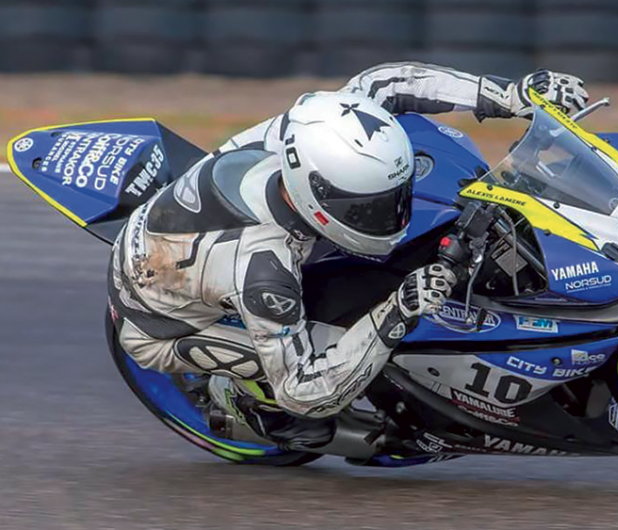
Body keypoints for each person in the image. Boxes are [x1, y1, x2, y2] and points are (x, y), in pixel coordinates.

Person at [107, 62, 589, 448]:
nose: (393, 215)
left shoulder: (320, 129)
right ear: (320, 201)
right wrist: (397, 311)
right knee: (315, 406)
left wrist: (510, 96)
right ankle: (251, 411)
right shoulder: (263, 274)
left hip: (204, 232)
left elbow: (386, 81)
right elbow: (305, 388)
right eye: (374, 209)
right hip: (166, 323)